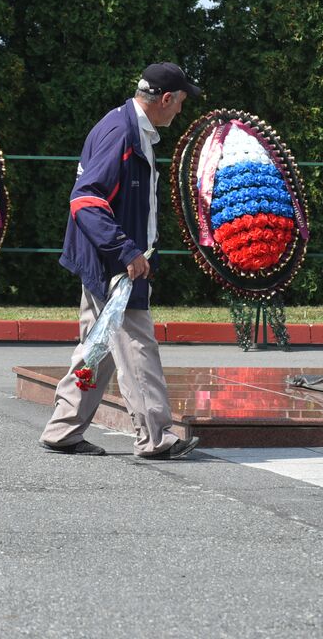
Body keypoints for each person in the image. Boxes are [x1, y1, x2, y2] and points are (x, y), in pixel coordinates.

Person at [39, 63, 203, 459]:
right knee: (136, 345)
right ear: (165, 98)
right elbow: (85, 200)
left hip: (104, 257)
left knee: (98, 346)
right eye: (180, 102)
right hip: (114, 263)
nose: (181, 110)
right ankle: (156, 437)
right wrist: (126, 251)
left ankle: (63, 430)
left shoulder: (126, 126)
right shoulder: (122, 133)